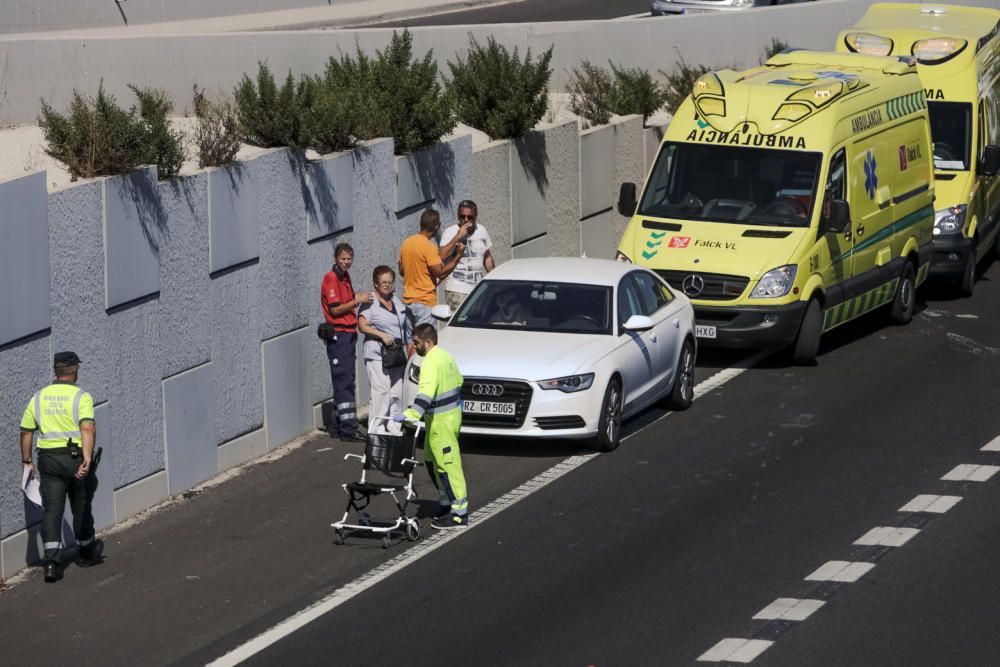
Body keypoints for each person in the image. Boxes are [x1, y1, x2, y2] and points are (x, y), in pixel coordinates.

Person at [19, 352, 102, 582]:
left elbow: (26, 430)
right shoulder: (81, 397)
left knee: (52, 510)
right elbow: (87, 429)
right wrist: (86, 458)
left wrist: (27, 461)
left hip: (49, 460)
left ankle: (52, 565)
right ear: (74, 370)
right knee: (80, 505)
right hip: (74, 458)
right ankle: (86, 552)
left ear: (56, 371)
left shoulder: (39, 397)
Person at [394, 323, 468, 529]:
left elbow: (425, 394)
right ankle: (445, 503)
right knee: (430, 459)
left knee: (447, 466)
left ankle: (459, 514)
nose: (414, 346)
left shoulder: (430, 363)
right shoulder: (446, 356)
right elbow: (459, 381)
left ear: (428, 342)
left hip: (441, 422)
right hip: (446, 419)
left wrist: (411, 414)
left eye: (416, 343)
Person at [321, 242, 373, 443]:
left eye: (349, 259)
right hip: (339, 334)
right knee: (345, 381)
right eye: (343, 258)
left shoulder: (344, 277)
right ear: (335, 258)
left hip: (348, 332)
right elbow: (335, 310)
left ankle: (336, 425)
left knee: (344, 378)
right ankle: (349, 429)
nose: (346, 262)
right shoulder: (332, 278)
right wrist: (357, 300)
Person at [357, 266, 410, 435]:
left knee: (397, 390)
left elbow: (404, 325)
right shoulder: (370, 302)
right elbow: (362, 326)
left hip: (395, 353)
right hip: (377, 352)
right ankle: (377, 428)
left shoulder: (396, 301)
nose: (387, 285)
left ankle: (394, 424)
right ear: (376, 284)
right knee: (381, 390)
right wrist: (381, 335)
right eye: (383, 282)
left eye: (390, 282)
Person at [398, 208, 465, 329]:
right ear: (436, 226)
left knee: (412, 344)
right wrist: (458, 256)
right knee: (426, 344)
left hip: (408, 302)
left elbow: (402, 271)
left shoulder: (406, 243)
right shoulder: (429, 246)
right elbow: (441, 273)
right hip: (424, 303)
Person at [439, 200, 494, 312]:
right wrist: (458, 236)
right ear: (458, 216)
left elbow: (487, 257)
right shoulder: (450, 232)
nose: (466, 220)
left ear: (476, 216)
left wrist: (495, 278)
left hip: (477, 290)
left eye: (470, 217)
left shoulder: (482, 230)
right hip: (457, 288)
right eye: (462, 216)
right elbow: (441, 255)